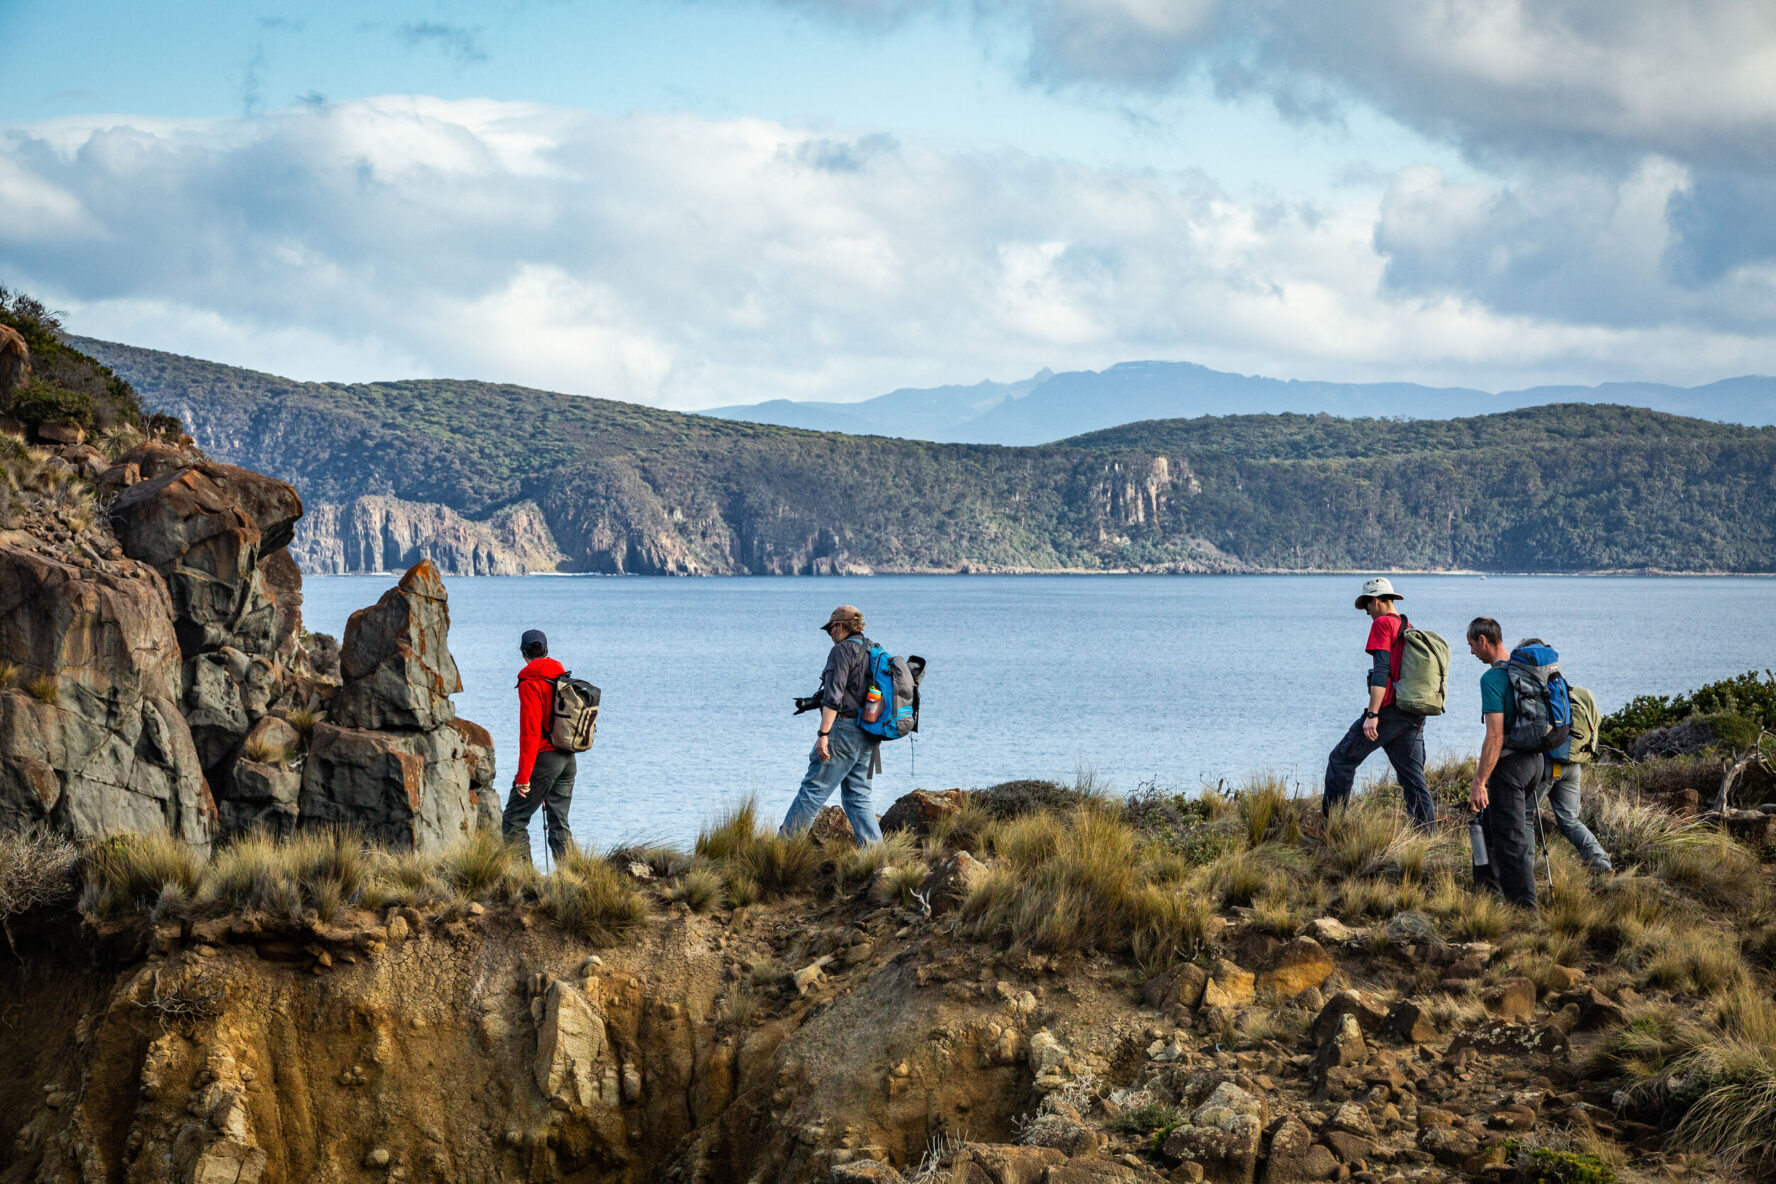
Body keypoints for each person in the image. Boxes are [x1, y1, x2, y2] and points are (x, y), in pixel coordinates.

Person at [1323, 577, 1435, 829]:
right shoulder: (1408, 626)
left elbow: (1381, 670)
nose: (1367, 613)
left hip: (1389, 712)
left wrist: (1372, 714)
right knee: (1413, 779)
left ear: (1375, 601)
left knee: (1341, 760)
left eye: (1366, 607)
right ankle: (1429, 837)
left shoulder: (1382, 625)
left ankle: (1331, 829)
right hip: (1412, 713)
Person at [778, 605, 883, 847]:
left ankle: (782, 850)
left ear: (839, 626)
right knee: (858, 797)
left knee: (813, 790)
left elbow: (834, 697)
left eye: (830, 630)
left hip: (844, 730)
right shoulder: (873, 649)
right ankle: (876, 855)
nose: (830, 635)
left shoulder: (842, 651)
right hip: (868, 732)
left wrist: (823, 734)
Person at [1516, 638, 1613, 874]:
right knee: (1570, 820)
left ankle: (1524, 871)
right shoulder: (1572, 693)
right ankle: (1600, 862)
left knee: (1526, 816)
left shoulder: (1541, 696)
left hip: (1549, 765)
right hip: (1573, 765)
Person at [1466, 617, 1540, 907]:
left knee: (1511, 843)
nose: (1472, 652)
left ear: (1483, 641)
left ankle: (1524, 913)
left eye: (1472, 645)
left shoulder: (1492, 679)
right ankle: (1488, 901)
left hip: (1510, 769)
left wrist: (1479, 782)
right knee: (1487, 831)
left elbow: (1494, 736)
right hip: (1535, 763)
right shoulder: (1524, 671)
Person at [502, 628, 576, 862]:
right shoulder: (561, 675)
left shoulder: (529, 682)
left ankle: (522, 882)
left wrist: (524, 778)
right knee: (559, 821)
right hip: (568, 757)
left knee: (514, 820)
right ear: (546, 650)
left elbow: (530, 734)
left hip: (544, 759)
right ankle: (574, 877)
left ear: (523, 653)